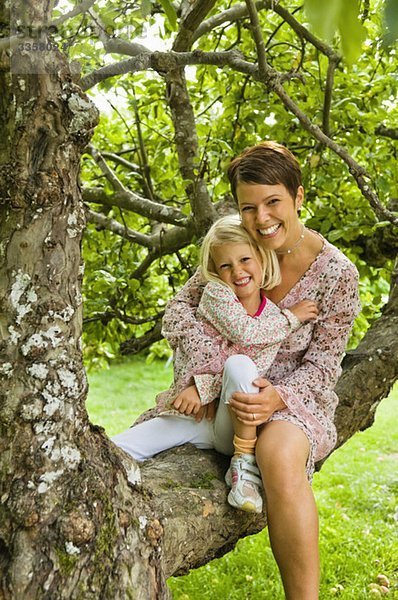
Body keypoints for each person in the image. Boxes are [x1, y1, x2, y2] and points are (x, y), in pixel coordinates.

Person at [160, 141, 361, 600]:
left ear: (299, 197)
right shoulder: (239, 247)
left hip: (293, 396)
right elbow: (177, 313)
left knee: (278, 455)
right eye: (249, 207)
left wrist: (278, 396)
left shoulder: (337, 274)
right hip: (225, 386)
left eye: (274, 202)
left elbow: (324, 364)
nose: (262, 217)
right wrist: (205, 373)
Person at [112, 215, 318, 514]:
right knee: (120, 448)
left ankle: (244, 465)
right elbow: (240, 333)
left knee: (241, 366)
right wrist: (292, 318)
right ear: (216, 273)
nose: (237, 271)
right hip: (194, 417)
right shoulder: (217, 295)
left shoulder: (273, 318)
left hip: (230, 423)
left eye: (245, 259)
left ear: (262, 259)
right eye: (226, 265)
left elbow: (251, 366)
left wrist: (206, 389)